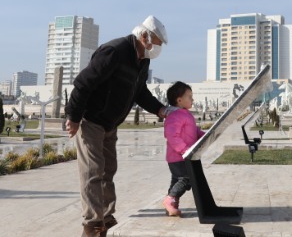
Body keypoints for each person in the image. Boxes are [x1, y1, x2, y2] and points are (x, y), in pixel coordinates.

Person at [65, 15, 177, 237]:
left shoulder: (143, 60)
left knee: (109, 170)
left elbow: (140, 91)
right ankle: (92, 225)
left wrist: (160, 110)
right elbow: (83, 83)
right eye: (157, 42)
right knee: (92, 172)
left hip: (110, 124)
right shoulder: (114, 52)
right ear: (144, 36)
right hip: (91, 120)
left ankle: (105, 217)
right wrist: (74, 117)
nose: (158, 48)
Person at [161, 81, 205, 217]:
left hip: (183, 155)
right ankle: (170, 200)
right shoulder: (175, 116)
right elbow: (172, 135)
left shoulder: (185, 114)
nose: (192, 99)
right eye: (190, 97)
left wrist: (203, 135)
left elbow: (193, 131)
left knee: (177, 180)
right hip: (179, 155)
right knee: (186, 178)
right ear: (179, 100)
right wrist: (184, 150)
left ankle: (171, 204)